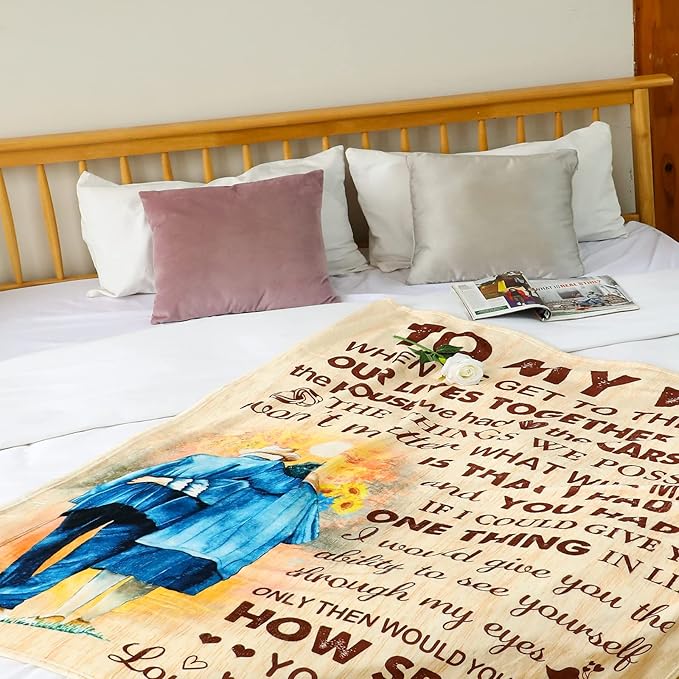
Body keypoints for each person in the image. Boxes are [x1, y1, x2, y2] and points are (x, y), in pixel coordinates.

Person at [3, 448, 324, 624]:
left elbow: (187, 470)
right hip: (164, 513)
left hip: (147, 503)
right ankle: (15, 597)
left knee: (60, 547)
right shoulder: (260, 480)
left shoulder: (250, 471)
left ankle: (11, 594)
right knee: (79, 556)